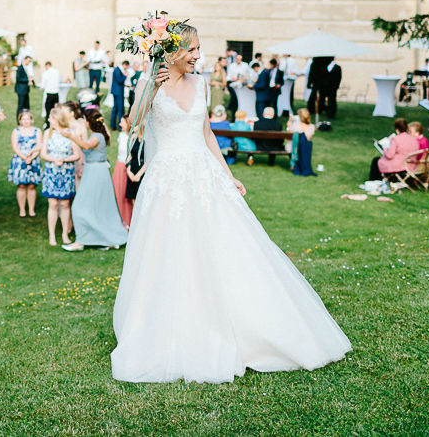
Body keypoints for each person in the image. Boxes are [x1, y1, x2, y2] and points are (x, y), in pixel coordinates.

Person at [111, 23, 351, 383]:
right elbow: (134, 124)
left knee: (228, 248)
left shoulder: (202, 83)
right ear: (172, 51)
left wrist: (227, 175)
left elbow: (206, 132)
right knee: (170, 252)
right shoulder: (149, 85)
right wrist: (152, 86)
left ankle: (245, 325)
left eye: (198, 50)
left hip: (204, 175)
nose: (197, 56)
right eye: (191, 50)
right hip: (167, 182)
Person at [62, 108, 129, 251]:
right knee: (94, 207)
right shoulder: (98, 134)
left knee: (80, 206)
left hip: (96, 173)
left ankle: (84, 241)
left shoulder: (97, 137)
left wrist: (71, 136)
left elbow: (86, 146)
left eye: (85, 119)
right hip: (92, 172)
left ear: (88, 122)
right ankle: (87, 239)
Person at [41, 106, 79, 246]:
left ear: (57, 119)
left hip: (66, 172)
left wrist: (64, 160)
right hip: (51, 172)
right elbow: (43, 154)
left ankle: (64, 234)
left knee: (64, 203)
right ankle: (52, 235)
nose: (49, 119)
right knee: (52, 203)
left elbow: (77, 155)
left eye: (51, 117)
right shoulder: (48, 133)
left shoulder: (70, 133)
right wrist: (53, 159)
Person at [8, 109, 42, 218]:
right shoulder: (16, 131)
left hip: (33, 160)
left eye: (28, 119)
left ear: (31, 120)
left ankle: (31, 209)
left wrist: (32, 157)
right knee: (21, 185)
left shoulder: (37, 131)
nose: (26, 121)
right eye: (24, 119)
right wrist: (24, 157)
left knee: (32, 185)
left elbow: (39, 146)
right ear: (20, 120)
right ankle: (22, 209)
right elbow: (15, 147)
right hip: (20, 160)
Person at [112, 117, 132, 228]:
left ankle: (128, 220)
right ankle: (119, 220)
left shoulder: (133, 137)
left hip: (128, 168)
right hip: (119, 166)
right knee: (117, 193)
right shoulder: (121, 136)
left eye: (122, 122)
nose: (119, 124)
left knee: (127, 196)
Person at [289, 107, 317, 176]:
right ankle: (305, 168)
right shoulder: (311, 127)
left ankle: (296, 166)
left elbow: (289, 132)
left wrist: (290, 120)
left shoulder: (296, 126)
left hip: (297, 146)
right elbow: (309, 137)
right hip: (307, 146)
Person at [40, 61, 62, 128]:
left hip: (49, 94)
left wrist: (41, 88)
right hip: (56, 93)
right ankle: (56, 123)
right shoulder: (57, 72)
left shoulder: (45, 73)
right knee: (56, 110)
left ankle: (48, 124)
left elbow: (43, 85)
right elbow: (60, 81)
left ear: (46, 66)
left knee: (48, 110)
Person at [110, 60, 129, 130]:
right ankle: (120, 126)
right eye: (126, 67)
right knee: (120, 109)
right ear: (125, 65)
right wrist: (125, 76)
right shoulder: (118, 69)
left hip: (116, 91)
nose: (126, 69)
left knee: (115, 108)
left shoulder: (117, 69)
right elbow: (119, 80)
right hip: (118, 92)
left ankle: (113, 125)